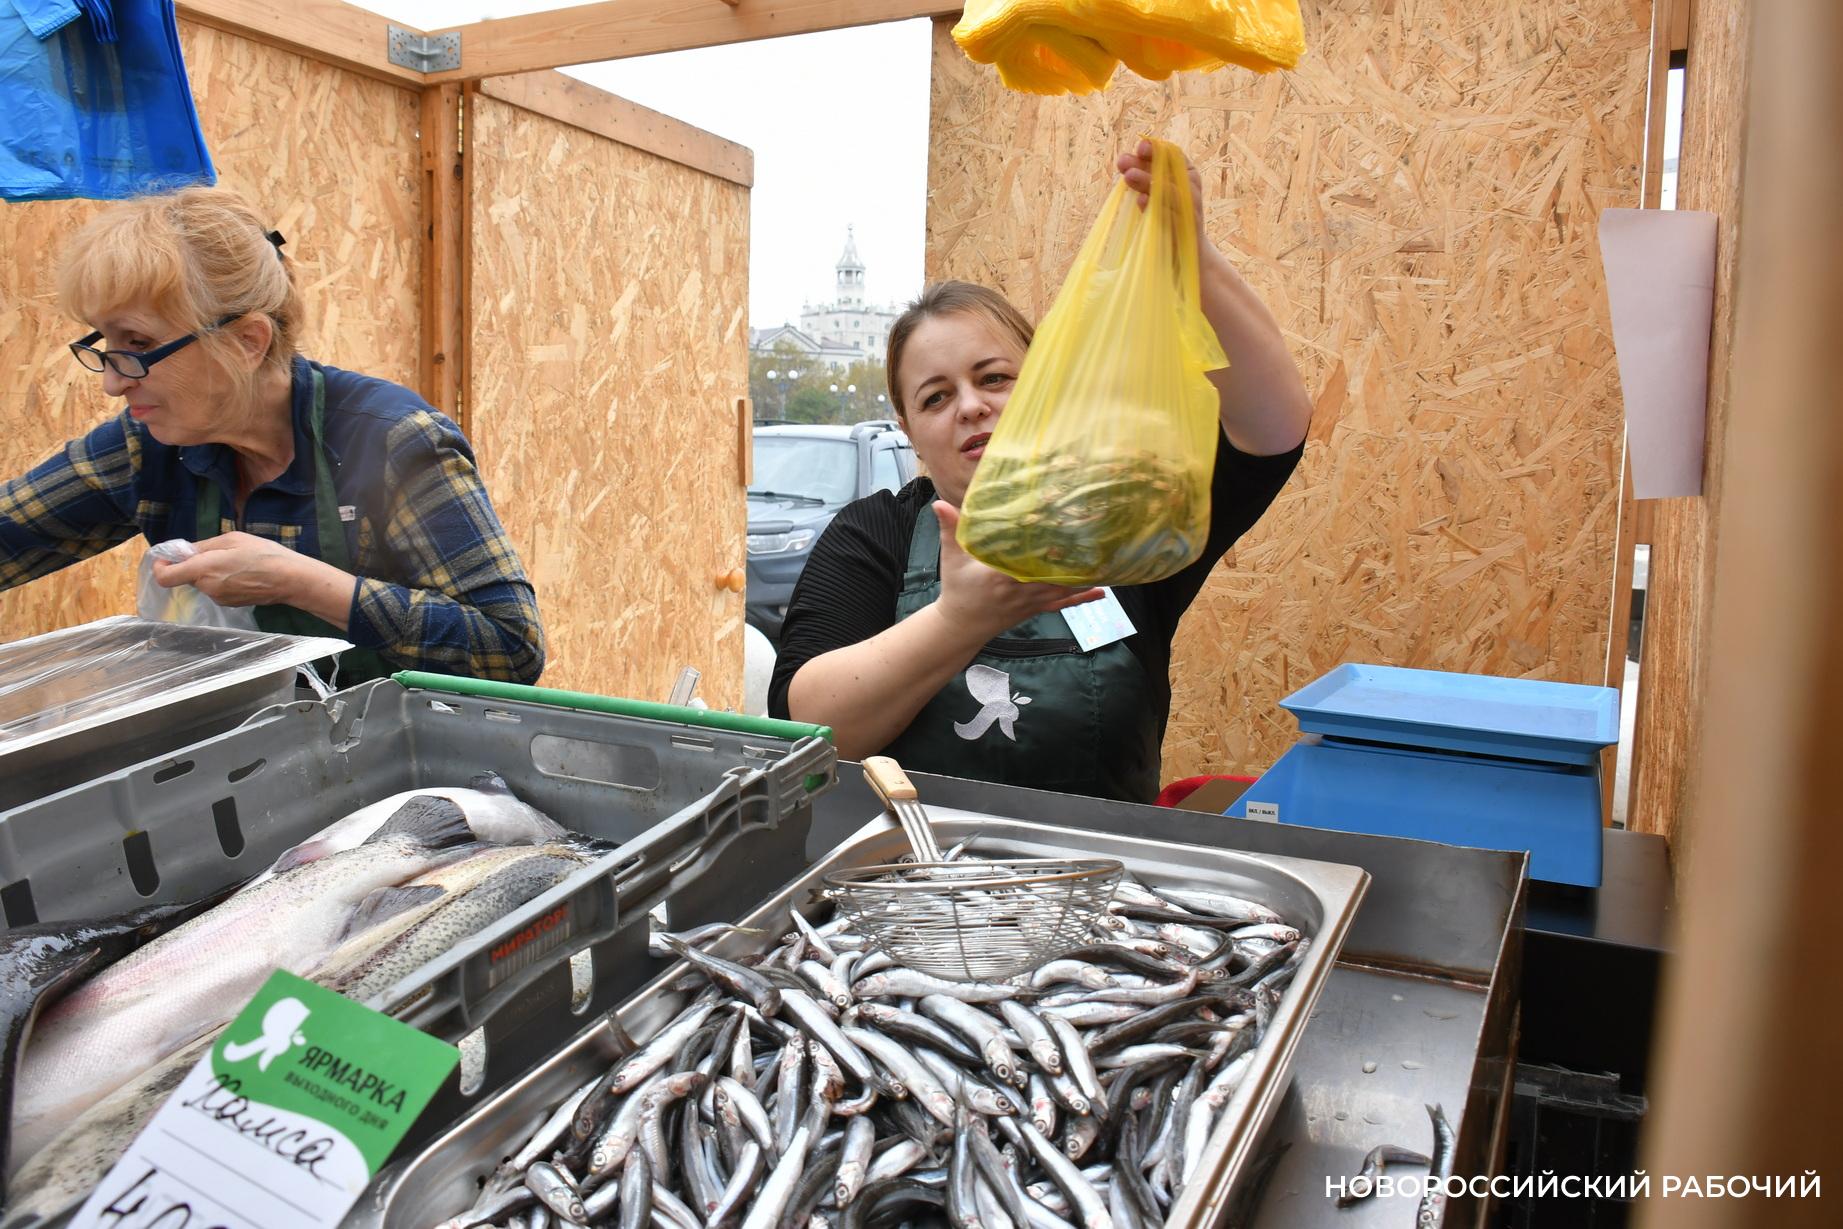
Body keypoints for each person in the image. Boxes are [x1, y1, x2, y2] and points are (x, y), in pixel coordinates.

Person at [769, 142, 1311, 802]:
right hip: (909, 889)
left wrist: (1189, 257)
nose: (970, 405)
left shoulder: (1123, 516)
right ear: (908, 430)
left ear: (1046, 385)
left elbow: (1271, 428)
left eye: (993, 378)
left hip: (1103, 889)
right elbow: (808, 729)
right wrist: (958, 620)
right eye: (935, 397)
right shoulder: (873, 533)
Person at [0, 186, 544, 684]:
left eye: (139, 344)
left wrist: (304, 583)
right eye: (105, 344)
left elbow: (510, 647)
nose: (114, 383)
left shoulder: (391, 441)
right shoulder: (149, 445)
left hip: (404, 763)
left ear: (247, 342)